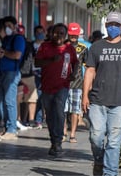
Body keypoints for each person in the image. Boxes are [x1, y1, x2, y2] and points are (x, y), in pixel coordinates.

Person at [82, 11, 121, 176]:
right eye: (110, 24)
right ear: (106, 25)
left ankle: (110, 172)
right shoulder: (96, 46)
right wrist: (85, 95)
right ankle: (99, 161)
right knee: (96, 137)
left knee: (114, 141)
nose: (113, 27)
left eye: (116, 25)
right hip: (97, 100)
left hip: (120, 102)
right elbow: (90, 71)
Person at [35, 23, 78, 157]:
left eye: (61, 33)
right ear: (51, 33)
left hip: (62, 86)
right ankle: (53, 140)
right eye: (56, 32)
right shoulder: (45, 46)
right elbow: (37, 63)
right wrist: (51, 60)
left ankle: (58, 142)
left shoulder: (69, 48)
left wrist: (74, 73)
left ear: (65, 35)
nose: (58, 35)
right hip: (47, 86)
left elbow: (75, 62)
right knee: (49, 115)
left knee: (59, 111)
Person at [0, 16, 26, 140]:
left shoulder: (17, 39)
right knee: (0, 102)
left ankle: (12, 128)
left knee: (9, 101)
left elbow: (17, 55)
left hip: (11, 73)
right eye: (5, 26)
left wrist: (3, 53)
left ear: (14, 26)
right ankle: (5, 125)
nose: (7, 28)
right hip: (1, 72)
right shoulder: (5, 39)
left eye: (9, 25)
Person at [63, 23, 89, 143]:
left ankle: (72, 134)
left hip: (77, 84)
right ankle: (63, 132)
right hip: (62, 83)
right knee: (63, 109)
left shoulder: (83, 48)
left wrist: (88, 85)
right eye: (71, 34)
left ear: (78, 34)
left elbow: (88, 67)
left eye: (75, 34)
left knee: (74, 110)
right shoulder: (62, 47)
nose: (73, 36)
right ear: (68, 34)